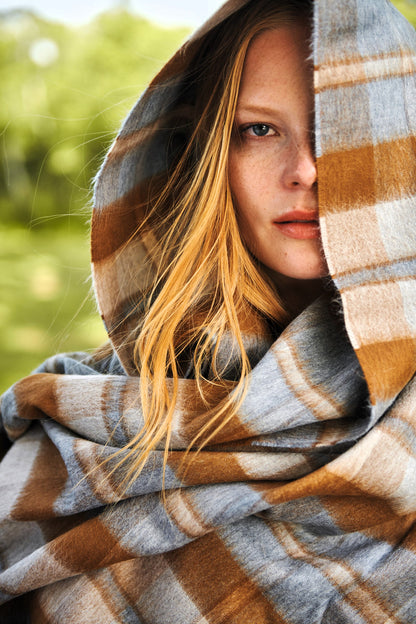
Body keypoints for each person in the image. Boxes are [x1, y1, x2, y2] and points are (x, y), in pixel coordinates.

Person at [1, 0, 416, 621]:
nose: (304, 170)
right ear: (207, 154)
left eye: (340, 131)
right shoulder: (88, 408)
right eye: (259, 130)